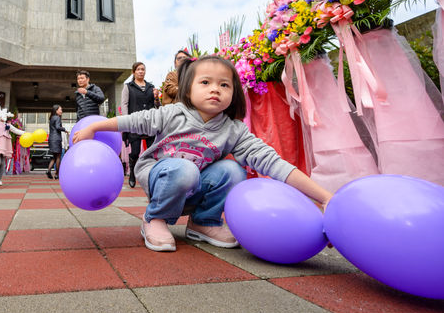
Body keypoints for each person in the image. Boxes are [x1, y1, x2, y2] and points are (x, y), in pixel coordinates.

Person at [74, 55, 333, 252]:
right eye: (205, 82)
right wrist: (95, 127)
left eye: (224, 84)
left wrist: (324, 198)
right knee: (184, 170)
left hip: (195, 185)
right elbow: (134, 120)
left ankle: (203, 221)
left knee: (233, 170)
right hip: (161, 179)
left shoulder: (233, 130)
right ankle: (154, 217)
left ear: (234, 93)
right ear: (188, 89)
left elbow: (273, 162)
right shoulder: (174, 113)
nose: (215, 89)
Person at [120, 62, 159, 188]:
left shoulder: (151, 87)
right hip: (135, 123)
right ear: (134, 72)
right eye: (138, 69)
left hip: (149, 122)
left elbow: (157, 106)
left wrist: (156, 98)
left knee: (151, 151)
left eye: (143, 69)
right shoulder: (128, 87)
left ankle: (150, 175)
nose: (141, 71)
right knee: (135, 152)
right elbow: (124, 104)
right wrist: (126, 120)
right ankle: (132, 172)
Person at [46, 104, 67, 179]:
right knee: (58, 157)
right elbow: (58, 127)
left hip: (51, 139)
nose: (61, 111)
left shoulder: (51, 118)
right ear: (56, 110)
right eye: (60, 109)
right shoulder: (57, 118)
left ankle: (48, 171)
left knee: (54, 157)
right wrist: (64, 129)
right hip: (56, 139)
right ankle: (57, 174)